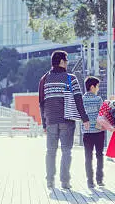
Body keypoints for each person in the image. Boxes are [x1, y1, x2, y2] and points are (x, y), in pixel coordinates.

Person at [38, 50, 90, 189]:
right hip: (67, 120)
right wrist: (85, 119)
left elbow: (41, 103)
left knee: (50, 151)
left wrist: (44, 123)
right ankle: (65, 182)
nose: (67, 63)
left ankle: (50, 181)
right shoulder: (70, 78)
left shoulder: (44, 79)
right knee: (66, 151)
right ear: (61, 61)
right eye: (66, 60)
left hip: (50, 120)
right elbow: (79, 100)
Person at [81, 76, 105, 188]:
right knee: (99, 155)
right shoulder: (98, 99)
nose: (98, 89)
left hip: (86, 133)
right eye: (97, 86)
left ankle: (89, 181)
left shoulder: (81, 99)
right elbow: (102, 115)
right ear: (92, 87)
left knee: (88, 157)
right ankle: (99, 179)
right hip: (98, 132)